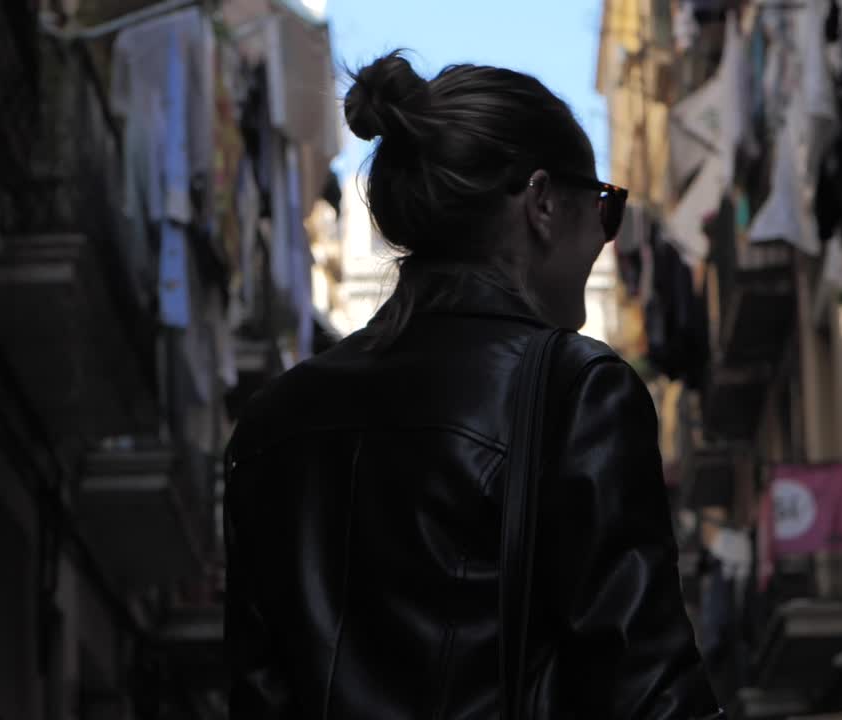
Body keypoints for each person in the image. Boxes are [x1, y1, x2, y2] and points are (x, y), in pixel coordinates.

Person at [224, 50, 721, 719]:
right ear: (543, 202)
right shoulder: (577, 393)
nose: (607, 239)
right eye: (605, 208)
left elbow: (257, 689)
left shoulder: (270, 423)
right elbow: (645, 688)